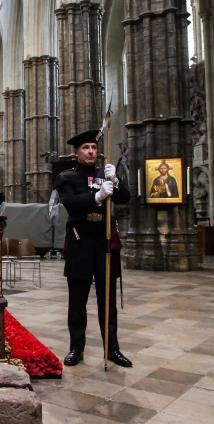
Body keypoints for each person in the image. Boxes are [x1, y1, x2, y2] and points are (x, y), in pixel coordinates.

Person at [56, 129, 132, 368]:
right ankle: (76, 349)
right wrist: (97, 196)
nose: (91, 151)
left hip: (103, 243)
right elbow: (71, 203)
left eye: (94, 148)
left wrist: (116, 181)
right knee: (77, 302)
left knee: (106, 301)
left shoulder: (104, 174)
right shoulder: (67, 177)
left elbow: (125, 198)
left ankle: (112, 349)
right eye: (86, 148)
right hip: (80, 242)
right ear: (76, 152)